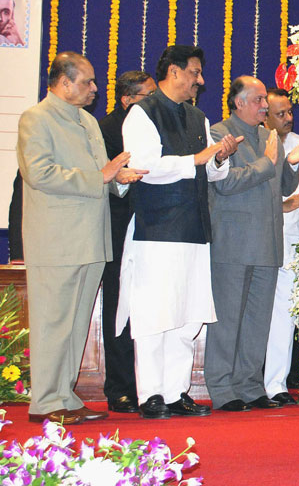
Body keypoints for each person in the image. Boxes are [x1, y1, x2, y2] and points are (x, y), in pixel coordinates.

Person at [17, 51, 145, 425]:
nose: (94, 88)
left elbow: (99, 175)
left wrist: (117, 180)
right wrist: (102, 176)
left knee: (75, 326)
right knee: (52, 323)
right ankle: (44, 400)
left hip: (90, 239)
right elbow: (39, 173)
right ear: (64, 82)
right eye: (87, 81)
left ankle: (64, 395)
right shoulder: (35, 119)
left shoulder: (88, 121)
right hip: (55, 241)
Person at [119, 45, 242, 420]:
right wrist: (197, 159)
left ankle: (175, 393)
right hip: (156, 229)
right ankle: (150, 394)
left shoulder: (198, 117)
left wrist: (218, 158)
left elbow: (210, 172)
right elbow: (143, 167)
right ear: (173, 71)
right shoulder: (142, 113)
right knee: (155, 314)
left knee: (188, 316)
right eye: (194, 72)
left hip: (194, 228)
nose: (199, 81)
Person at [205, 76, 299, 412]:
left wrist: (289, 162)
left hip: (268, 241)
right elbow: (226, 183)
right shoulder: (219, 134)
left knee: (257, 320)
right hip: (233, 242)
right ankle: (223, 388)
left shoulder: (269, 136)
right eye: (259, 100)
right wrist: (268, 162)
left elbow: (281, 187)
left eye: (266, 100)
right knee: (228, 319)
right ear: (238, 103)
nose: (265, 106)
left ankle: (251, 387)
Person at [98, 70, 157, 414]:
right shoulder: (106, 129)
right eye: (147, 96)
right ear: (126, 100)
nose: (154, 102)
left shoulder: (157, 124)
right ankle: (120, 388)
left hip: (154, 228)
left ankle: (150, 384)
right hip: (119, 229)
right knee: (118, 310)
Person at [262, 88, 299, 406]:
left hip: (292, 236)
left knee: (284, 311)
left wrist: (292, 203)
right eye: (280, 113)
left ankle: (276, 384)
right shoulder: (252, 142)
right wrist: (284, 203)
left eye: (289, 112)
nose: (288, 118)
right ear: (263, 113)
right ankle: (246, 381)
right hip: (255, 234)